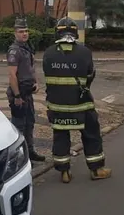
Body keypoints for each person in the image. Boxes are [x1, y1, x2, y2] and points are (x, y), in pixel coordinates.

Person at [42, 17, 112, 183]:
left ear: (57, 32)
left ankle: (64, 172)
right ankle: (96, 170)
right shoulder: (84, 52)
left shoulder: (49, 53)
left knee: (60, 136)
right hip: (81, 105)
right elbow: (89, 75)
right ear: (75, 33)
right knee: (91, 135)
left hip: (57, 106)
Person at [6, 17, 46, 163]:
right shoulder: (14, 51)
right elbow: (12, 74)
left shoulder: (26, 48)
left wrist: (35, 83)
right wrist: (17, 96)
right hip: (19, 94)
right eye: (21, 31)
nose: (25, 34)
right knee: (19, 127)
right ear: (15, 33)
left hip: (28, 93)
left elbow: (31, 69)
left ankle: (30, 152)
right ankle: (19, 159)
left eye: (26, 31)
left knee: (30, 124)